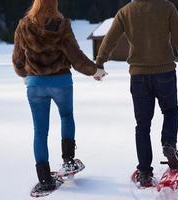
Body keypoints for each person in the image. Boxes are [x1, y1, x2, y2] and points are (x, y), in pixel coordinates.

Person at [12, 0, 107, 192]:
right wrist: (95, 71)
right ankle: (68, 161)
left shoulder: (24, 25)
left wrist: (26, 76)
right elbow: (76, 56)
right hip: (61, 82)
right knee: (66, 116)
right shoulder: (62, 25)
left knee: (40, 131)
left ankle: (44, 178)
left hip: (35, 84)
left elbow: (17, 59)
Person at [96, 0, 178, 187]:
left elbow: (110, 39)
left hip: (139, 76)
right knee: (171, 111)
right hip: (165, 72)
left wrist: (100, 62)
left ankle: (144, 172)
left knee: (142, 125)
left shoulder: (126, 11)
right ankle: (169, 144)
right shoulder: (167, 7)